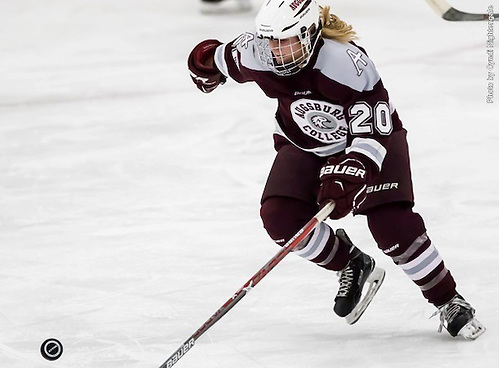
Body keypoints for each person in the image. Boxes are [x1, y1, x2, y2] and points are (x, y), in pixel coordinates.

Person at [187, 0, 485, 339]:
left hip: (369, 142)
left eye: (287, 41)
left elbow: (372, 132)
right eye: (271, 42)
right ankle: (352, 263)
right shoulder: (256, 51)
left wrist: (351, 172)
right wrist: (204, 63)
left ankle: (448, 301)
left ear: (311, 33)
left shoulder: (345, 63)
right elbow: (218, 58)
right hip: (302, 143)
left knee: (392, 226)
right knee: (280, 218)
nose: (277, 52)